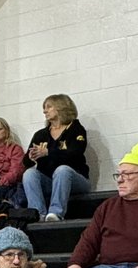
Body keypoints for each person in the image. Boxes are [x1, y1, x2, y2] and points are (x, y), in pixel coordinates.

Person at [22, 93, 90, 221]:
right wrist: (31, 157)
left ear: (60, 107)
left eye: (49, 107)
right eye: (44, 108)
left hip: (76, 180)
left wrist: (48, 152)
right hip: (50, 181)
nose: (44, 111)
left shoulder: (76, 129)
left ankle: (56, 213)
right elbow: (26, 162)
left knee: (62, 170)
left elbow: (75, 153)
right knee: (29, 173)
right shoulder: (41, 135)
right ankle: (38, 214)